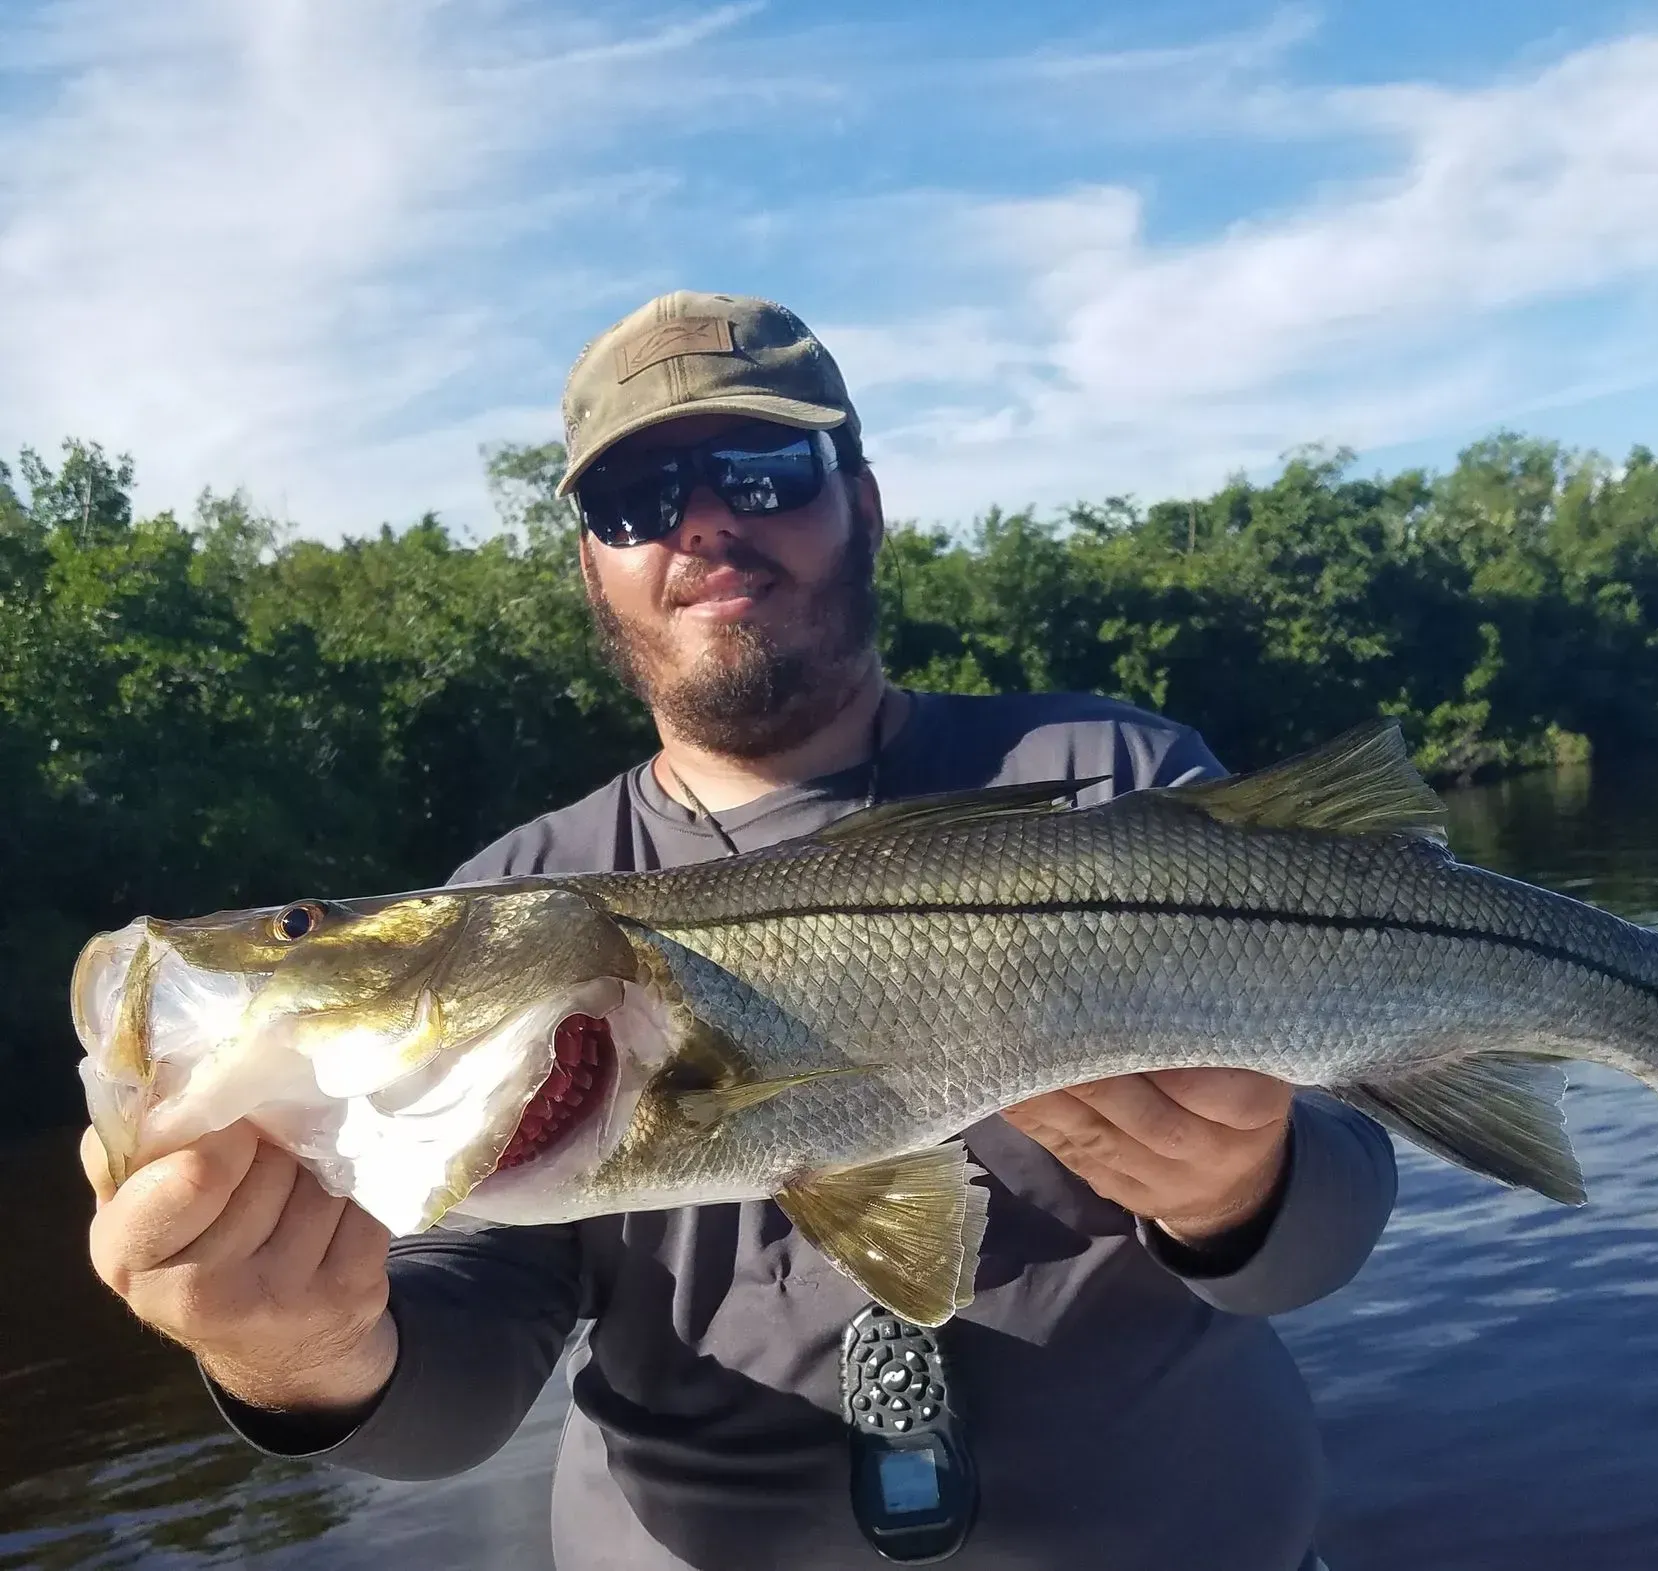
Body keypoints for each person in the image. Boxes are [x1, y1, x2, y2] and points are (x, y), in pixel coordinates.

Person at [82, 291, 1397, 1570]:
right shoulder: (515, 897)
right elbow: (464, 1378)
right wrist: (301, 1356)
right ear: (591, 564)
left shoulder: (1113, 777)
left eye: (761, 468)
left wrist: (1243, 1195)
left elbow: (1333, 1218)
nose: (703, 522)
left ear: (863, 503)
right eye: (636, 500)